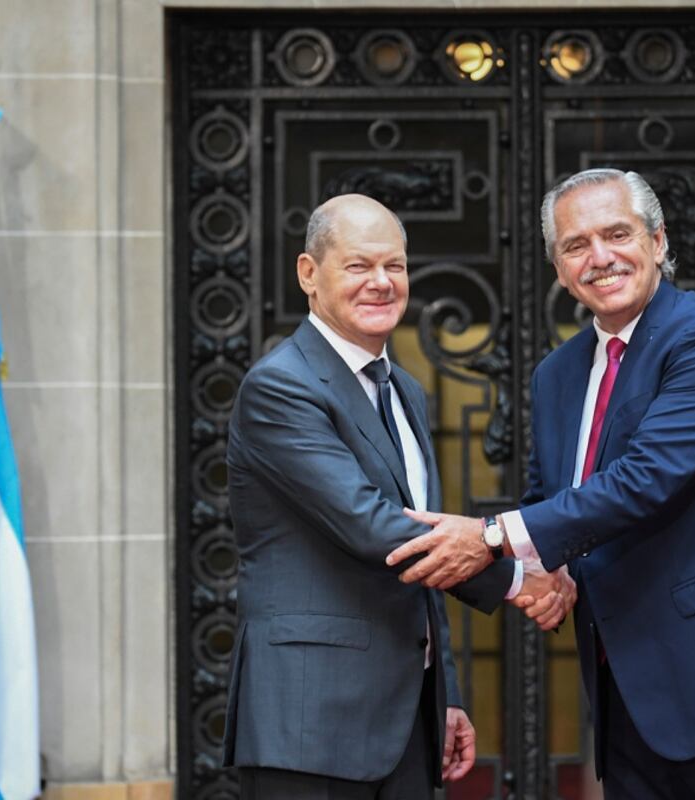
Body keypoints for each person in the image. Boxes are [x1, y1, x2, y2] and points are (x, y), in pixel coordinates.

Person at [388, 169, 695, 799]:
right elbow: (551, 498)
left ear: (657, 240)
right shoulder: (556, 374)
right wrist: (549, 573)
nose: (599, 258)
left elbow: (646, 479)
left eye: (617, 234)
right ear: (559, 268)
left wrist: (490, 538)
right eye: (576, 245)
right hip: (626, 691)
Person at [222, 194, 570, 799]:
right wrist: (518, 579)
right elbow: (373, 527)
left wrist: (446, 695)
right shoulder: (280, 387)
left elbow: (422, 542)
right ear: (309, 273)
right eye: (359, 266)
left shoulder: (404, 389)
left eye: (396, 266)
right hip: (310, 724)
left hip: (406, 719)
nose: (382, 283)